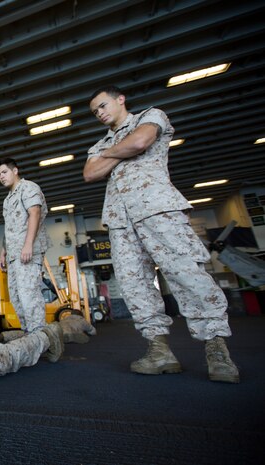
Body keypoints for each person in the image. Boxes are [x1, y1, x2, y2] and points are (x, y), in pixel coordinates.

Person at [83, 85, 239, 383]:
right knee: (134, 285)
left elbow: (140, 142)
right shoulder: (99, 143)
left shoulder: (150, 116)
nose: (100, 114)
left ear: (120, 99)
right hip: (121, 222)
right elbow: (90, 173)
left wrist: (110, 155)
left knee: (186, 274)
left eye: (103, 106)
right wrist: (118, 149)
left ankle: (217, 348)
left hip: (158, 211)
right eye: (95, 112)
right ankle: (159, 350)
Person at [0, 157, 51, 333]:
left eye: (4, 172)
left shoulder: (28, 188)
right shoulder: (7, 199)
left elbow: (34, 213)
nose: (1, 177)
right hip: (13, 256)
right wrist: (3, 252)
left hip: (28, 252)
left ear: (15, 171)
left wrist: (28, 245)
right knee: (17, 299)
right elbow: (9, 228)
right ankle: (31, 337)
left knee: (30, 298)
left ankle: (41, 338)